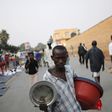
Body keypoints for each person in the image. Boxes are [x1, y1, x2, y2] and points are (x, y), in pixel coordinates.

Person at [39, 45, 82, 112]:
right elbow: (47, 102)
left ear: (67, 57)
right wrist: (44, 108)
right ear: (52, 58)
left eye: (63, 58)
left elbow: (77, 85)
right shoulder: (47, 78)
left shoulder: (70, 70)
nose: (61, 61)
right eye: (57, 58)